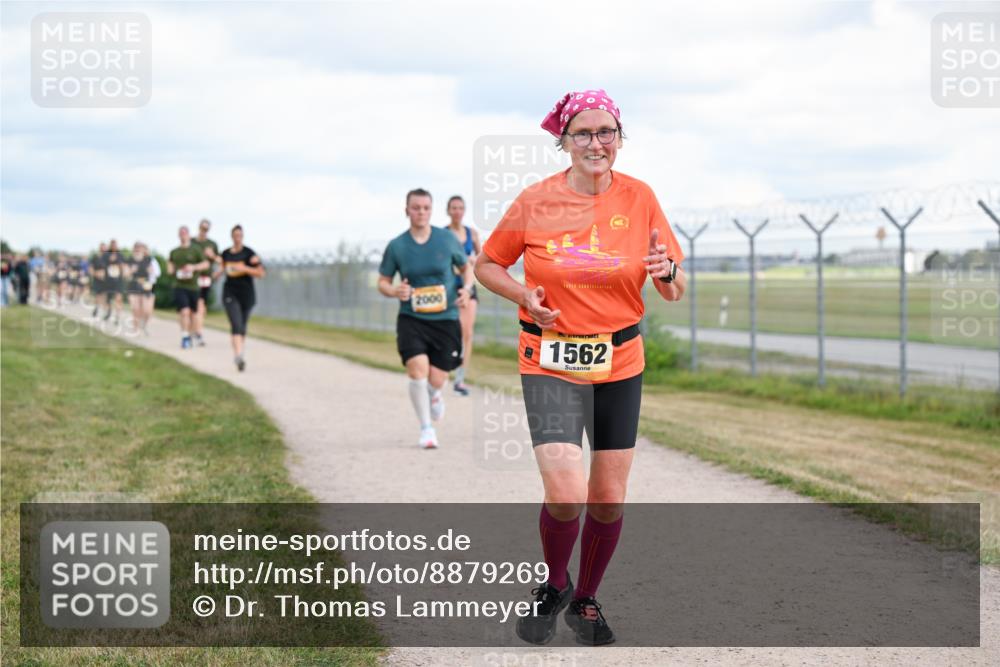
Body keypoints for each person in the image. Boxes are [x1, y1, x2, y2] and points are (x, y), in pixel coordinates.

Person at [475, 89, 686, 646]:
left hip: (620, 359)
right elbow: (487, 265)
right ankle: (553, 583)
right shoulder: (534, 201)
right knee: (567, 491)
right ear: (563, 142)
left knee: (608, 496)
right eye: (583, 134)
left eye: (606, 132)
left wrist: (666, 271)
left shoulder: (641, 198)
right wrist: (523, 294)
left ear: (620, 138)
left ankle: (586, 598)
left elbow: (673, 289)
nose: (596, 143)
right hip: (550, 357)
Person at [377, 188, 473, 449]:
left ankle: (435, 394)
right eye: (416, 207)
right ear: (406, 210)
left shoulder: (446, 240)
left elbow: (466, 268)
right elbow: (383, 282)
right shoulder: (397, 246)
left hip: (445, 318)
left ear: (431, 210)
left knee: (437, 378)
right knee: (417, 370)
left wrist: (466, 289)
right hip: (412, 318)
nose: (421, 212)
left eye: (425, 208)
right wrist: (395, 290)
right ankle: (426, 428)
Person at [444, 195, 481, 396]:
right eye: (453, 208)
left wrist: (471, 261)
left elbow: (482, 260)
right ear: (448, 211)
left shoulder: (472, 234)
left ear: (464, 210)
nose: (457, 211)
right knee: (450, 332)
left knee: (467, 333)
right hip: (447, 289)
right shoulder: (442, 234)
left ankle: (460, 379)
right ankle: (440, 371)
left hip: (468, 289)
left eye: (460, 207)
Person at [216, 225, 265, 371]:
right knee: (236, 324)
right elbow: (221, 268)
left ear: (242, 236)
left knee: (242, 326)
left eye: (240, 235)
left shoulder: (249, 254)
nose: (238, 238)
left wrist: (244, 269)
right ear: (232, 236)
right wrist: (217, 274)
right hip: (230, 293)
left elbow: (261, 273)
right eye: (235, 235)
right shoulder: (225, 253)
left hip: (247, 294)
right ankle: (238, 356)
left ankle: (239, 353)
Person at [167, 226, 210, 349]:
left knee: (193, 314)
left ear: (188, 235)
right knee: (184, 312)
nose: (183, 235)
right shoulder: (174, 252)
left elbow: (206, 264)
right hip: (180, 286)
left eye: (185, 233)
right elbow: (170, 265)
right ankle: (185, 336)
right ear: (178, 235)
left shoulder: (195, 250)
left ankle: (191, 334)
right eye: (181, 233)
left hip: (193, 287)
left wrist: (194, 267)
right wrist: (171, 269)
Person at [191, 218, 220, 347]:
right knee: (195, 308)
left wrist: (212, 255)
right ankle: (195, 330)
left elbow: (221, 261)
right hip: (191, 279)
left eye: (206, 229)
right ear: (199, 227)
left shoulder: (212, 244)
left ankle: (198, 333)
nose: (204, 231)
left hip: (206, 278)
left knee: (201, 306)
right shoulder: (192, 242)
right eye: (202, 228)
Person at [126, 242, 160, 334]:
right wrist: (130, 271)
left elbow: (157, 273)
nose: (137, 250)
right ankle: (136, 328)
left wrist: (151, 272)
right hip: (133, 285)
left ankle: (144, 324)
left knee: (147, 310)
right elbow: (125, 274)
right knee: (135, 308)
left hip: (147, 285)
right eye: (136, 248)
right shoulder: (130, 260)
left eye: (139, 248)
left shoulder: (150, 260)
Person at [104, 239, 126, 323]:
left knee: (118, 298)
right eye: (112, 245)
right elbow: (102, 265)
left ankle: (117, 316)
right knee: (108, 299)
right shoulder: (106, 255)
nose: (113, 246)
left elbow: (123, 266)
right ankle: (108, 312)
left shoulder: (120, 255)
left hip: (118, 280)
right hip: (108, 280)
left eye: (115, 245)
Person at [90, 242, 108, 318]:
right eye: (102, 247)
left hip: (106, 279)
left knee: (105, 295)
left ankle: (105, 311)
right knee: (98, 295)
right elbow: (91, 268)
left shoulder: (108, 258)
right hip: (97, 279)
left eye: (104, 247)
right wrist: (95, 274)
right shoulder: (95, 257)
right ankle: (96, 307)